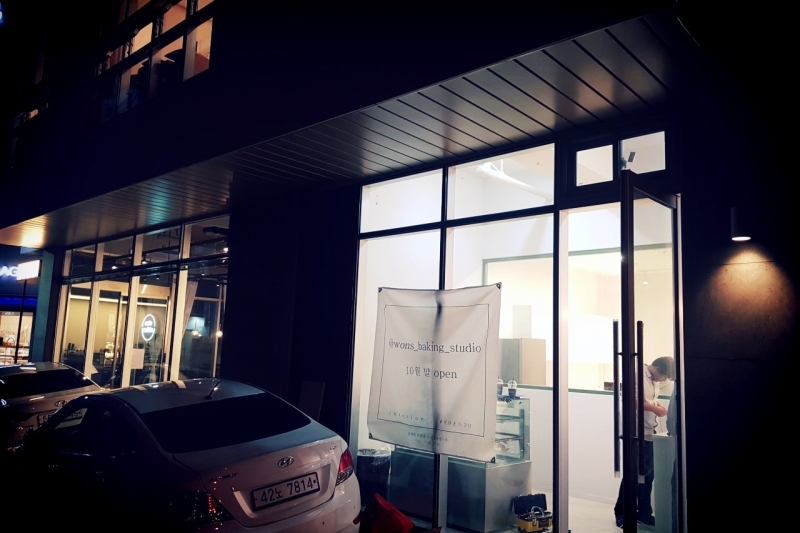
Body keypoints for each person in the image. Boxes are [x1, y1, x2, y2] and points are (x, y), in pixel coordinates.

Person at [614, 356, 675, 528]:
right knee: (632, 475)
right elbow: (631, 401)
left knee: (648, 477)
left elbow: (647, 400)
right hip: (634, 433)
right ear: (659, 368)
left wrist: (656, 406)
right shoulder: (636, 374)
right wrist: (654, 408)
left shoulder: (653, 380)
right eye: (665, 376)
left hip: (648, 432)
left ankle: (644, 513)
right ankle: (622, 513)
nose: (663, 380)